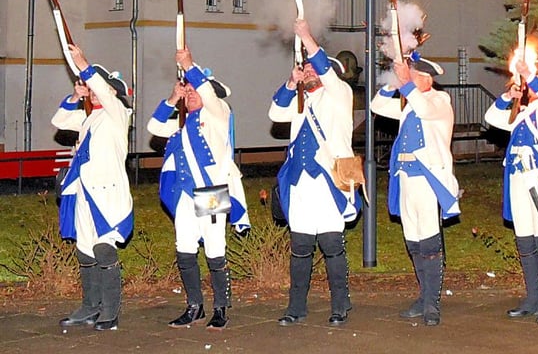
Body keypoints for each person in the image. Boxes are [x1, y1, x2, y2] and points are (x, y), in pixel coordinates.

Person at [148, 47, 249, 330]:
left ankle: (221, 307)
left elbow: (206, 90)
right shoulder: (181, 125)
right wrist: (172, 98)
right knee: (185, 250)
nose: (192, 93)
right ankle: (195, 306)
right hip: (184, 194)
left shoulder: (218, 112)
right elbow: (154, 126)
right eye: (188, 90)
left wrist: (189, 64)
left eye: (196, 90)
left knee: (215, 250)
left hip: (211, 193)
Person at [270, 19, 360, 327]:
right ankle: (296, 307)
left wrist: (305, 36)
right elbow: (275, 113)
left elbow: (324, 69)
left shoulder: (340, 94)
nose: (308, 70)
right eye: (305, 68)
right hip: (300, 184)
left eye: (312, 69)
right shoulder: (301, 99)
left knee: (332, 246)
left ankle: (340, 305)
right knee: (301, 248)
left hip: (330, 180)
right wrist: (290, 84)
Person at [370, 53, 459, 326]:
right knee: (414, 240)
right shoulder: (408, 104)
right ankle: (423, 296)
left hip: (428, 179)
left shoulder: (439, 101)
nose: (408, 80)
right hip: (405, 179)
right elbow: (376, 105)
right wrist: (393, 83)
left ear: (427, 79)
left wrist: (406, 83)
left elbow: (424, 109)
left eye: (413, 76)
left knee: (430, 241)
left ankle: (432, 303)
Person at [51, 44, 133, 331]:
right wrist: (76, 95)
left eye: (99, 87)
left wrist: (83, 63)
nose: (94, 89)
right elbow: (58, 121)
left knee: (104, 250)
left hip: (108, 195)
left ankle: (110, 312)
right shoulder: (89, 118)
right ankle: (89, 307)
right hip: (83, 194)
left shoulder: (118, 113)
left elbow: (104, 91)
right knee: (85, 252)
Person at [484, 57, 538, 325]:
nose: (532, 87)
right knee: (525, 239)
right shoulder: (520, 112)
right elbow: (491, 118)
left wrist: (529, 74)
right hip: (519, 179)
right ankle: (532, 297)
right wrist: (509, 96)